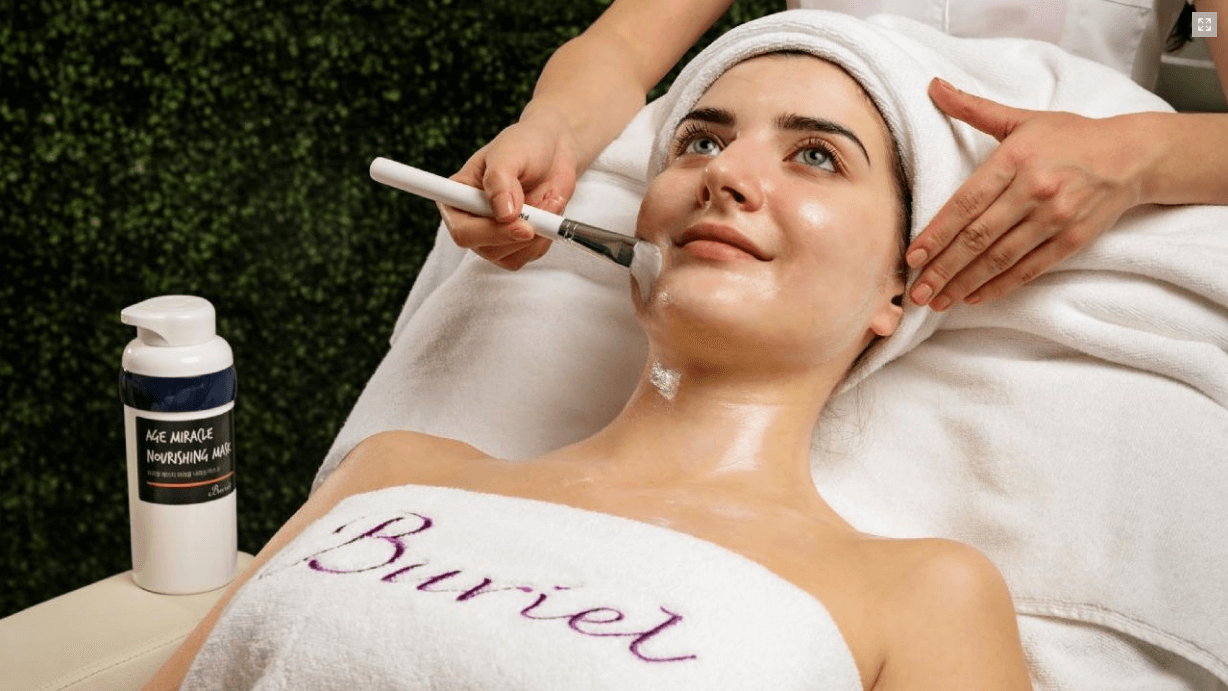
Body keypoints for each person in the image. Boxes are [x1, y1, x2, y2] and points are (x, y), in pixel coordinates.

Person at [144, 50, 1032, 690]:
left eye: (815, 156)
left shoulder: (922, 597)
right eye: (699, 143)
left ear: (899, 288)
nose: (726, 174)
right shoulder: (394, 470)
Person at [441, 0, 1228, 313]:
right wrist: (553, 127)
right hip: (797, 219)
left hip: (1053, 242)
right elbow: (619, 48)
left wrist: (1135, 157)